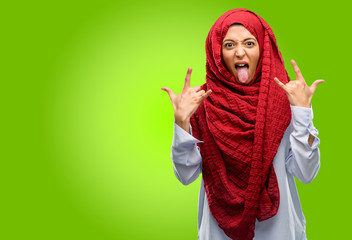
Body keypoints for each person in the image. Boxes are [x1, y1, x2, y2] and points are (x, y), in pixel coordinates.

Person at [161, 8, 323, 240]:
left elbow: (306, 173)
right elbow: (186, 175)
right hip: (219, 233)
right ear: (217, 53)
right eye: (229, 45)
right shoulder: (200, 102)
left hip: (280, 231)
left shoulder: (286, 99)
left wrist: (303, 113)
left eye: (249, 43)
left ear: (263, 49)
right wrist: (181, 123)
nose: (239, 52)